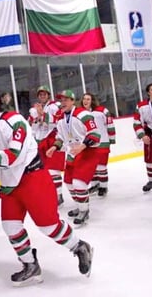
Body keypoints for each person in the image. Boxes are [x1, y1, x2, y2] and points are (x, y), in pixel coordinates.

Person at [0, 89, 93, 287]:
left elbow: (15, 154)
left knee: (48, 226)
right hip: (10, 185)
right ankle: (30, 265)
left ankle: (80, 247)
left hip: (33, 177)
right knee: (10, 226)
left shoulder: (14, 120)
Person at [46, 90, 101, 226]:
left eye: (66, 100)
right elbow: (60, 137)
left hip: (88, 152)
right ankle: (79, 205)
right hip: (72, 153)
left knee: (79, 183)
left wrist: (82, 147)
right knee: (69, 182)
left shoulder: (83, 114)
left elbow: (95, 134)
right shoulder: (60, 119)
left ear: (72, 101)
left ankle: (84, 210)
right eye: (61, 100)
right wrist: (54, 147)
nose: (63, 102)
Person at [28, 85, 65, 206]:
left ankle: (58, 195)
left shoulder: (56, 106)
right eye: (40, 94)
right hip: (40, 141)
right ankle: (51, 195)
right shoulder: (33, 110)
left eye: (44, 94)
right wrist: (37, 118)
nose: (42, 96)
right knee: (44, 172)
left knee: (54, 170)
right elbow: (30, 126)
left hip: (54, 140)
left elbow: (61, 120)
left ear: (48, 95)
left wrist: (43, 115)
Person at [80, 93, 116, 197]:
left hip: (102, 143)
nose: (86, 101)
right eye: (84, 99)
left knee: (101, 167)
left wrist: (111, 139)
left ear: (92, 101)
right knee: (91, 167)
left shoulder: (102, 111)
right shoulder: (80, 113)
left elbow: (110, 124)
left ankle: (103, 187)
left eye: (88, 99)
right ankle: (95, 185)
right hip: (88, 145)